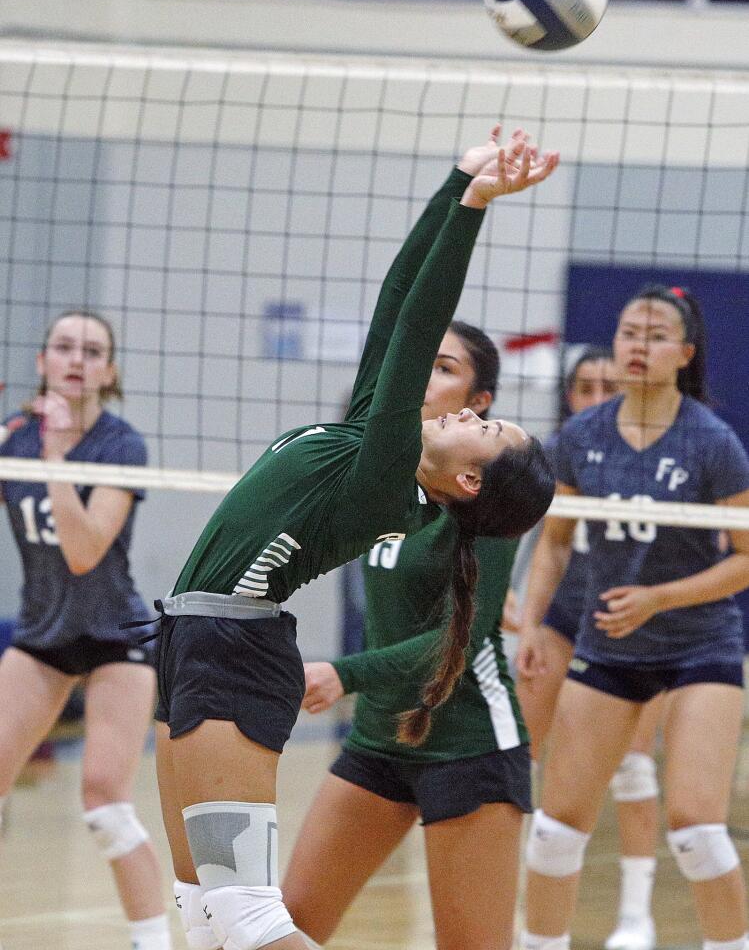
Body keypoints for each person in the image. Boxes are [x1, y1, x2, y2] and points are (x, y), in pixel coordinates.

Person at [152, 126, 559, 950]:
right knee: (202, 912)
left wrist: (475, 211)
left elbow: (416, 330)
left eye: (487, 426)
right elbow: (393, 310)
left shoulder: (386, 485)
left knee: (249, 915)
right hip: (193, 639)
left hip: (235, 651)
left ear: (470, 481)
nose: (467, 411)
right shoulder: (369, 439)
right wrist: (454, 182)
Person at [516, 285, 749, 950]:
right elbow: (555, 541)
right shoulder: (580, 437)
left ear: (683, 353)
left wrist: (659, 598)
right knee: (556, 833)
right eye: (626, 332)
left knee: (698, 833)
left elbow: (744, 558)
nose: (635, 345)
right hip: (609, 646)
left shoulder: (711, 441)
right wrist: (533, 624)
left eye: (652, 335)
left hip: (698, 643)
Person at [282, 320, 527, 950]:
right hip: (382, 738)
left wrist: (346, 672)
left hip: (469, 745)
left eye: (444, 368)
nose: (422, 376)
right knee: (290, 925)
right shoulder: (385, 481)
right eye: (422, 359)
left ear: (479, 406)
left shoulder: (487, 499)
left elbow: (458, 642)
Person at [0, 312, 172, 950]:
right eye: (64, 347)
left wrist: (53, 455)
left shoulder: (120, 446)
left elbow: (83, 550)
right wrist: (26, 441)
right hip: (43, 632)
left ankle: (151, 942)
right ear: (43, 361)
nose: (77, 359)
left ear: (110, 371)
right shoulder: (13, 439)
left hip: (114, 637)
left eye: (92, 350)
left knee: (104, 801)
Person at [509, 347, 663, 950]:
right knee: (521, 757)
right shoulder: (554, 451)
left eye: (609, 386)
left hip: (632, 621)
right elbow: (519, 535)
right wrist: (506, 599)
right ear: (569, 394)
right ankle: (526, 905)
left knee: (632, 765)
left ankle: (635, 915)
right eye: (585, 387)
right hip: (562, 614)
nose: (597, 397)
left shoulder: (654, 450)